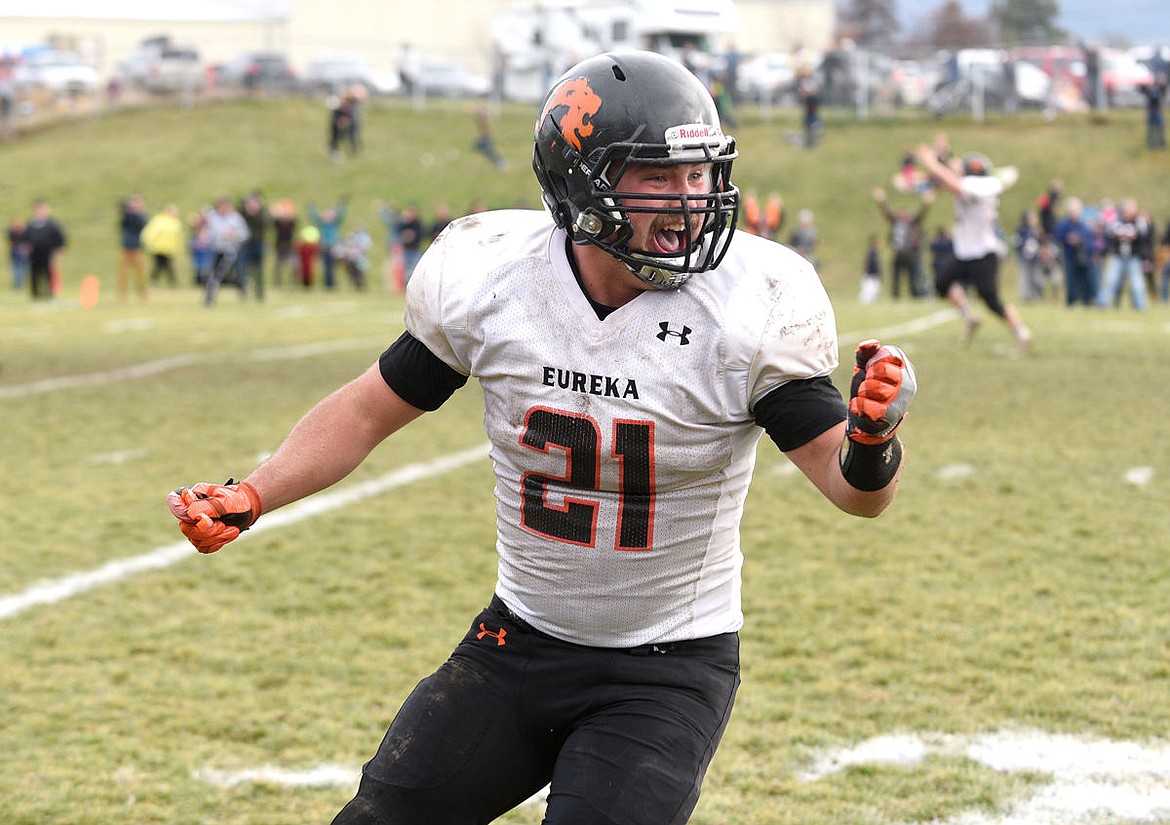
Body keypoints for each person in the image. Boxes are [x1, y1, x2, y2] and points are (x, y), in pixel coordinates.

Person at [166, 50, 916, 825]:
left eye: (699, 175)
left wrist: (872, 437)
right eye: (658, 176)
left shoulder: (748, 303)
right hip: (518, 642)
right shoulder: (494, 278)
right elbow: (365, 410)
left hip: (666, 670)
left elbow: (855, 492)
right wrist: (254, 492)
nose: (689, 200)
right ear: (580, 179)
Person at [916, 141, 1032, 355]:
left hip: (983, 253)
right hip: (965, 252)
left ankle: (1021, 332)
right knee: (942, 283)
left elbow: (954, 182)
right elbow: (947, 179)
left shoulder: (980, 186)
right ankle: (969, 317)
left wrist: (931, 163)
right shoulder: (979, 183)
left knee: (991, 300)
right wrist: (941, 157)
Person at [872, 186, 933, 299]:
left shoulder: (912, 222)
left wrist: (926, 203)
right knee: (895, 278)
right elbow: (887, 212)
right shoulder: (896, 222)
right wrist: (881, 201)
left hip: (911, 254)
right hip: (898, 253)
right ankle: (895, 296)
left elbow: (921, 213)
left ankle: (915, 295)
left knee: (914, 276)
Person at [1096, 198, 1151, 310]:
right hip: (1118, 257)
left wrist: (1145, 258)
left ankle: (1140, 306)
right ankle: (1102, 303)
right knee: (1110, 281)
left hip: (1133, 257)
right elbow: (1108, 236)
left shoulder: (1139, 222)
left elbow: (1145, 239)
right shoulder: (1116, 220)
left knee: (1137, 284)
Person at [202, 196, 250, 307]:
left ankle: (242, 290)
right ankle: (209, 298)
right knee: (213, 275)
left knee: (225, 275)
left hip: (230, 251)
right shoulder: (213, 217)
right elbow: (209, 232)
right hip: (215, 250)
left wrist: (234, 235)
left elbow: (245, 234)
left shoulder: (236, 218)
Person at [1052, 197, 1095, 307]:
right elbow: (1057, 236)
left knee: (1086, 279)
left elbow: (1089, 238)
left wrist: (1080, 239)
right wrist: (1068, 239)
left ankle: (1087, 300)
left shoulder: (1083, 223)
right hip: (1069, 255)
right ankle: (1071, 301)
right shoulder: (1064, 224)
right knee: (1070, 278)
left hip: (1083, 255)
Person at [25, 199, 66, 301]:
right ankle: (35, 294)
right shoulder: (31, 223)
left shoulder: (52, 224)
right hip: (34, 252)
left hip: (47, 252)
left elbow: (59, 237)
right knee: (34, 273)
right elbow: (26, 237)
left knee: (48, 272)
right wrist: (26, 245)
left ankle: (50, 293)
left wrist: (59, 248)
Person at [140, 204, 184, 288]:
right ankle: (154, 282)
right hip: (158, 248)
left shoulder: (176, 222)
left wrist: (179, 248)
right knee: (157, 266)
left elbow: (178, 237)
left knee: (169, 267)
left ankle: (173, 283)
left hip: (169, 249)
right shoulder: (158, 220)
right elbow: (150, 232)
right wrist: (147, 243)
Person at [118, 194, 149, 301]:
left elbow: (142, 225)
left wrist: (136, 212)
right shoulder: (127, 215)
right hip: (126, 247)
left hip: (137, 247)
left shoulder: (141, 216)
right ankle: (122, 293)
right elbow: (123, 222)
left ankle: (143, 293)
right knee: (123, 273)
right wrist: (129, 208)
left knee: (140, 273)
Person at [238, 192, 268, 301]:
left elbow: (267, 223)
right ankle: (242, 291)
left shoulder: (262, 213)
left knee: (258, 270)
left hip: (258, 244)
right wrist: (247, 210)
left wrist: (256, 213)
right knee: (242, 268)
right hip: (245, 244)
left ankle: (259, 292)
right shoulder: (243, 212)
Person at [1139, 71, 1167, 150]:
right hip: (1151, 113)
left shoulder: (1160, 89)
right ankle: (1151, 144)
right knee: (1151, 131)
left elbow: (1164, 86)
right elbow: (1141, 88)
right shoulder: (1148, 90)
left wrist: (1162, 78)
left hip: (1158, 112)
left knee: (1160, 130)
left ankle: (1161, 144)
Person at [8, 217, 29, 290]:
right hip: (21, 251)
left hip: (17, 250)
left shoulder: (12, 232)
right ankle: (20, 283)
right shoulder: (23, 232)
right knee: (20, 268)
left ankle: (18, 284)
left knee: (18, 268)